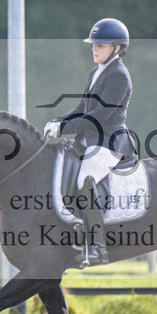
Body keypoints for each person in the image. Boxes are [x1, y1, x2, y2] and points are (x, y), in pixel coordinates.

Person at [44, 18, 137, 266]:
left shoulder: (119, 76)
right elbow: (82, 108)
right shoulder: (96, 72)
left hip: (109, 142)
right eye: (94, 44)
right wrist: (59, 121)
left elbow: (100, 116)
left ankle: (97, 248)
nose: (94, 48)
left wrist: (64, 129)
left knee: (85, 180)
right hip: (89, 141)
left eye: (101, 45)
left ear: (117, 48)